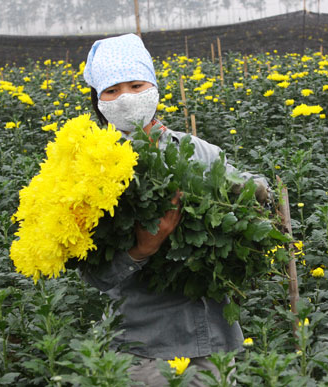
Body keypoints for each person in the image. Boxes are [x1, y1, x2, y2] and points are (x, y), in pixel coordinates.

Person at [79, 33, 269, 386]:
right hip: (146, 349)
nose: (126, 98)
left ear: (153, 87)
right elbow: (96, 276)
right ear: (98, 100)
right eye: (112, 90)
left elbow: (256, 185)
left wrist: (248, 190)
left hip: (215, 342)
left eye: (136, 85)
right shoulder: (89, 174)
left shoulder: (196, 150)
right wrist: (143, 249)